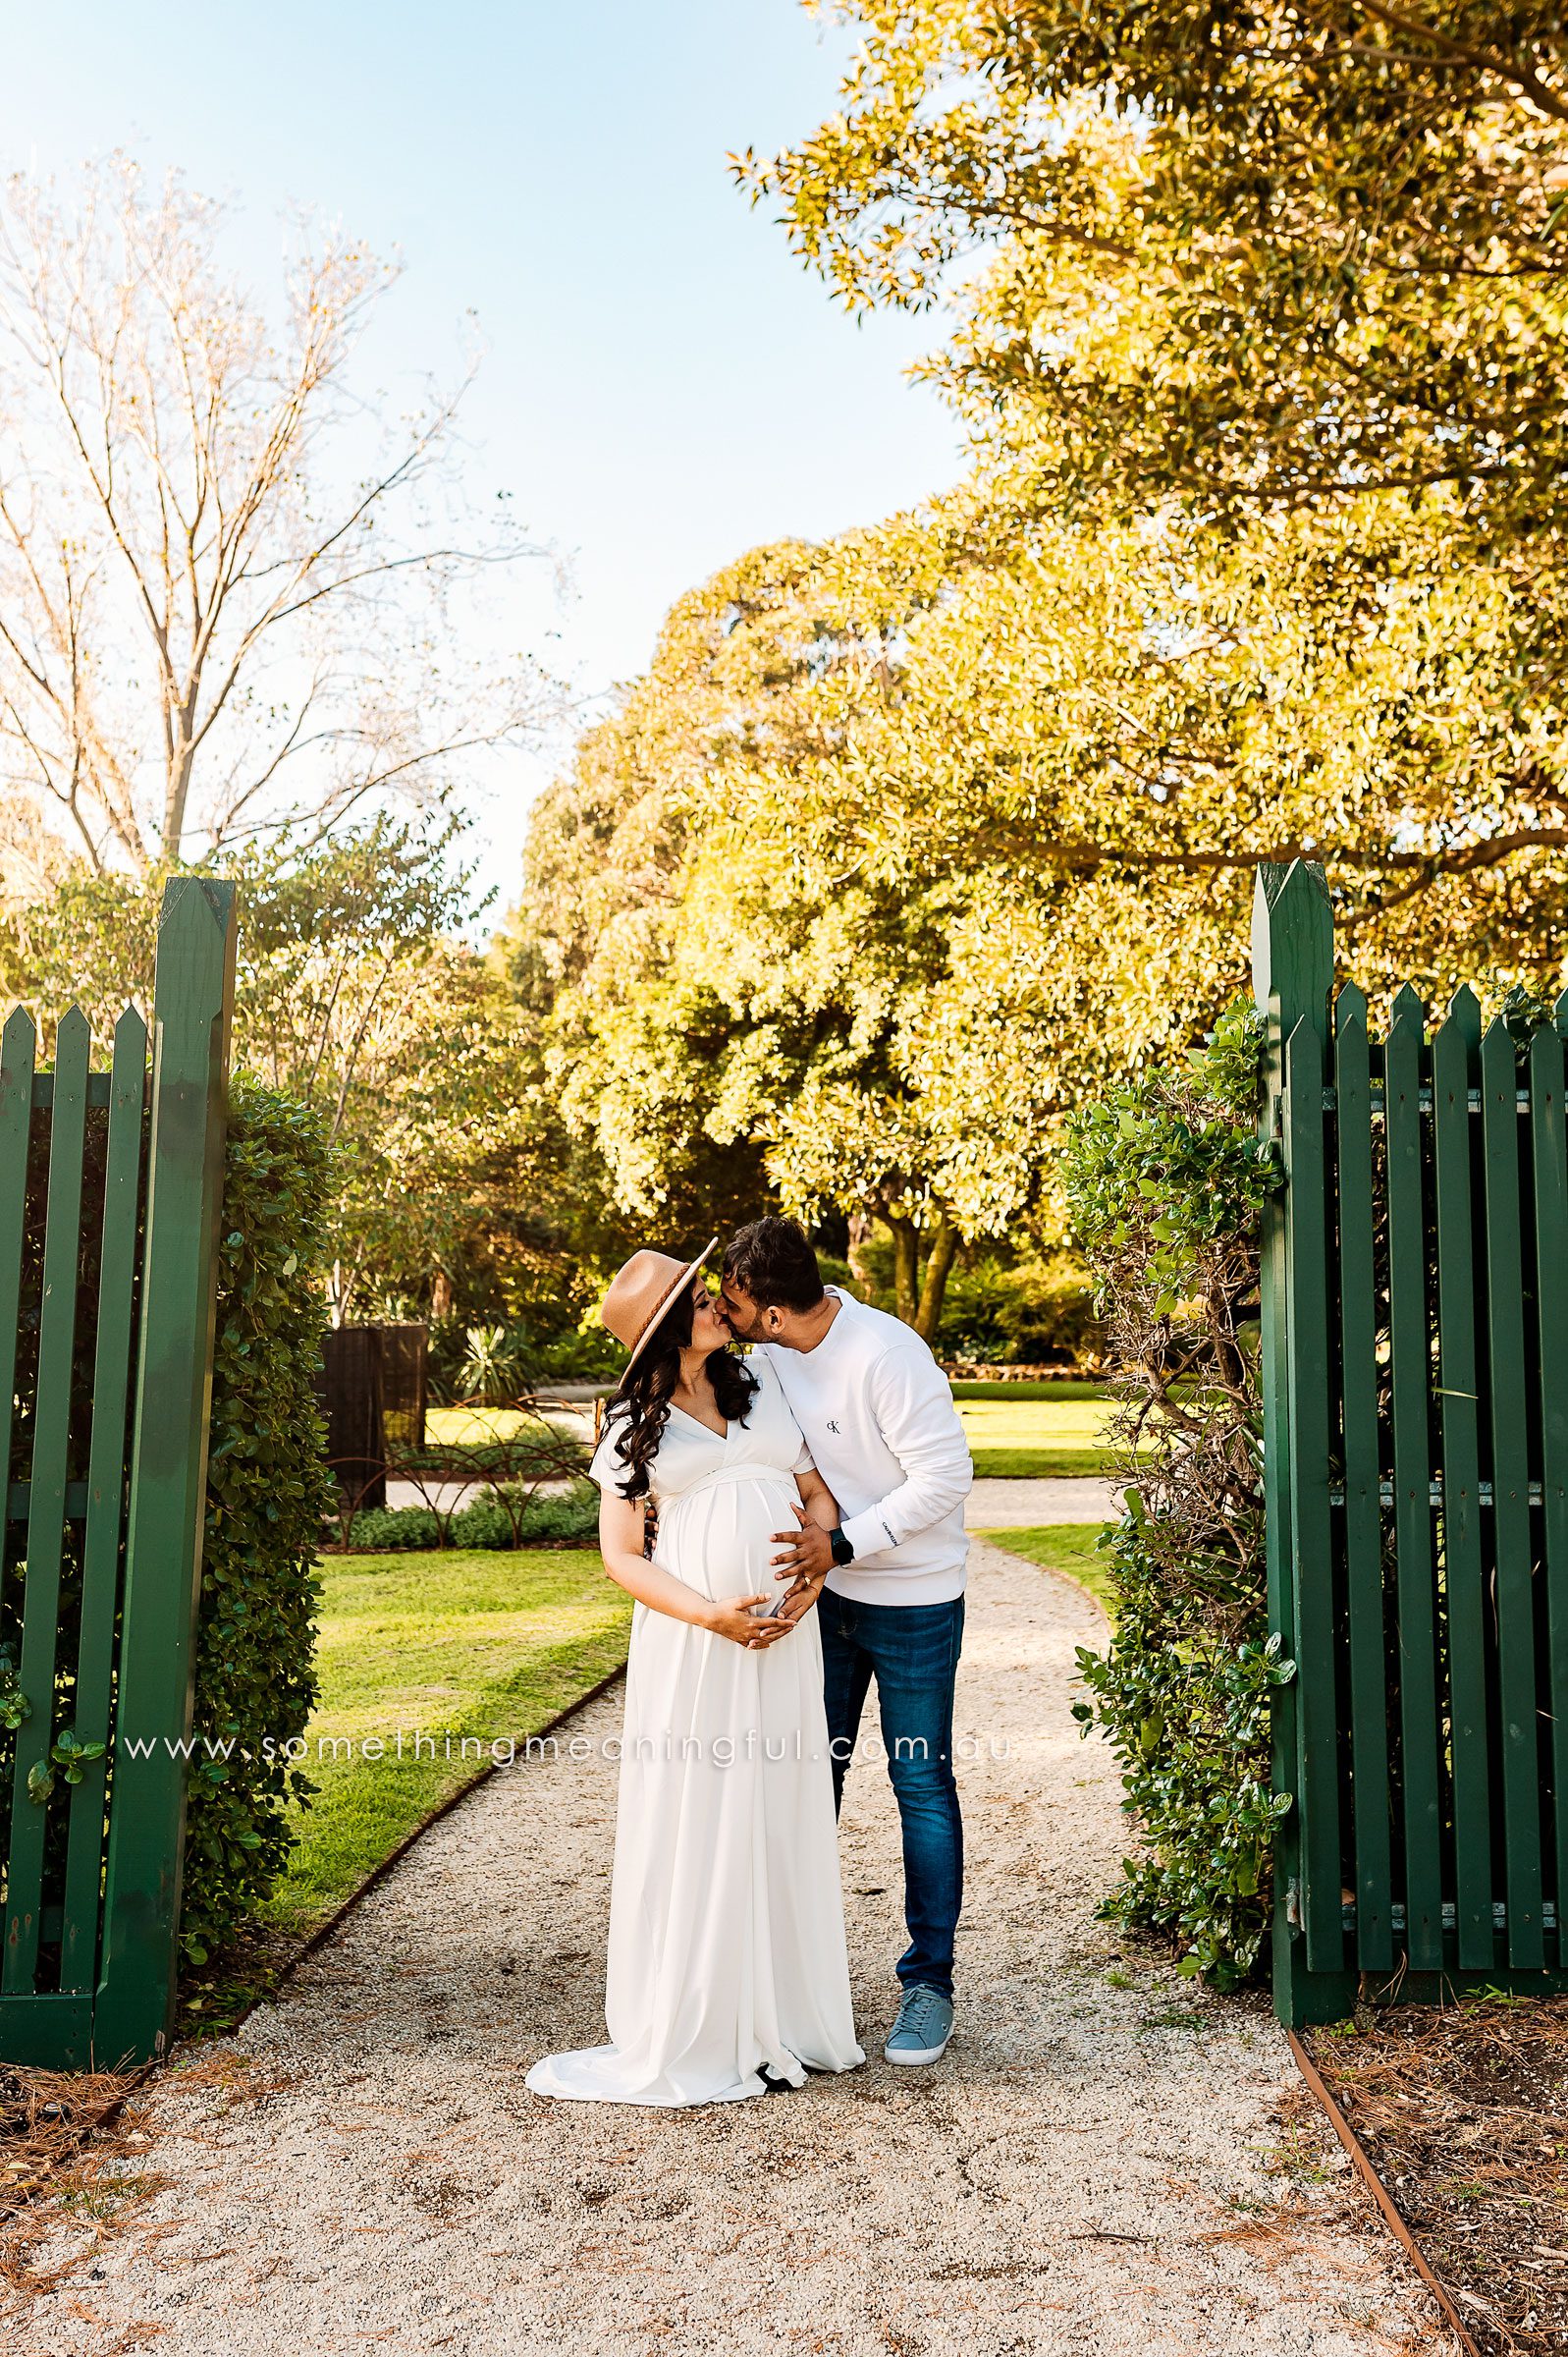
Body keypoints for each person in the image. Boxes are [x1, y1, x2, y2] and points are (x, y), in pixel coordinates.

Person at [525, 1237, 864, 2108]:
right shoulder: (631, 1428)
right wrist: (710, 1615)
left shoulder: (760, 1388)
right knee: (703, 1804)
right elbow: (621, 1559)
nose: (723, 1302)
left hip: (784, 1630)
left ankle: (783, 2014)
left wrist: (814, 1566)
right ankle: (703, 2019)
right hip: (694, 1643)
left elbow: (814, 1492)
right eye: (703, 1297)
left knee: (778, 1800)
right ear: (672, 1325)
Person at [719, 1217, 971, 2068]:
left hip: (913, 1603)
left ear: (775, 1310)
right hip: (824, 1604)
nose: (729, 1313)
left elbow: (946, 1475)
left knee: (918, 1781)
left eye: (737, 1303)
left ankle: (926, 1985)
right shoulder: (772, 1354)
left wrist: (846, 1545)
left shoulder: (884, 1354)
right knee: (803, 1775)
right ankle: (794, 1983)